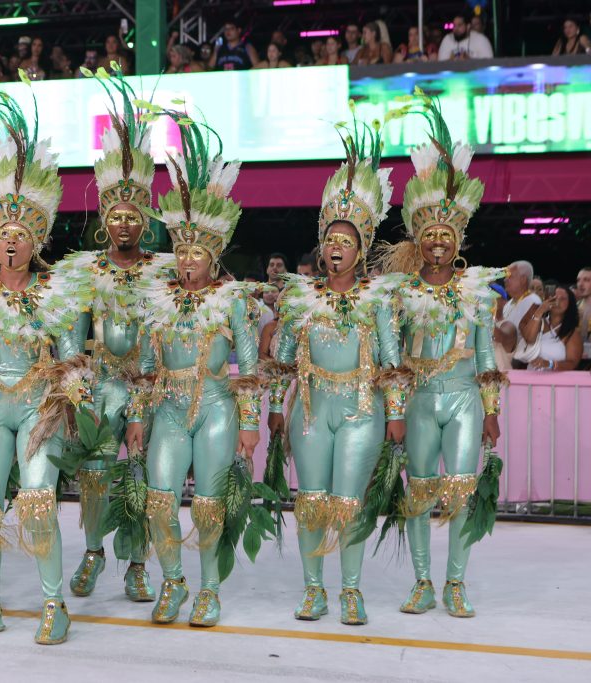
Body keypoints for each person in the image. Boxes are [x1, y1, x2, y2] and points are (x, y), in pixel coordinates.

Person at [0, 82, 93, 644]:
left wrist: (73, 406)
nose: (10, 245)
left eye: (21, 237)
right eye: (3, 235)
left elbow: (73, 359)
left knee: (35, 501)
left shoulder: (59, 293)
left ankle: (54, 604)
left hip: (38, 408)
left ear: (36, 243)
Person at [268, 110, 410, 627]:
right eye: (331, 240)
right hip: (310, 411)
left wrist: (396, 414)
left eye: (346, 242)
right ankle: (314, 590)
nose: (336, 249)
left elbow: (392, 362)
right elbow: (281, 360)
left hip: (361, 412)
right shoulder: (300, 298)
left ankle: (350, 590)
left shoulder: (378, 300)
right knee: (310, 501)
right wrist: (273, 407)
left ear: (362, 248)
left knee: (349, 502)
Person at [124, 111, 262, 628]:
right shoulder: (157, 300)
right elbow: (143, 367)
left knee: (207, 503)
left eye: (196, 254)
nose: (186, 262)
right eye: (180, 251)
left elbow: (249, 367)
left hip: (217, 409)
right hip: (167, 408)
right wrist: (136, 417)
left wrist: (250, 423)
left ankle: (209, 590)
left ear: (213, 256)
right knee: (159, 499)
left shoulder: (233, 300)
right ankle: (173, 580)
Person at [376, 90, 506, 618]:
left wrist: (492, 410)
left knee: (461, 489)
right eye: (428, 234)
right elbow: (391, 360)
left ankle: (455, 582)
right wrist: (395, 411)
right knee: (419, 490)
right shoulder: (400, 291)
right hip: (420, 399)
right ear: (417, 238)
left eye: (445, 235)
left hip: (464, 399)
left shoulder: (477, 291)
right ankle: (423, 581)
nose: (436, 243)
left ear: (457, 241)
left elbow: (486, 355)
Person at [55, 73, 173, 603]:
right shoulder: (84, 270)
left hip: (148, 386)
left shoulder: (164, 271)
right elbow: (71, 336)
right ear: (105, 220)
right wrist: (77, 389)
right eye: (116, 216)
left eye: (133, 217)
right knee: (96, 474)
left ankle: (138, 564)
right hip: (100, 385)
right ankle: (93, 551)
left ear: (145, 220)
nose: (124, 225)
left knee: (142, 474)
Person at [520, 285, 583, 371]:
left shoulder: (572, 332)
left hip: (556, 379)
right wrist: (539, 311)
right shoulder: (538, 322)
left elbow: (573, 363)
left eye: (562, 299)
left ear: (570, 304)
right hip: (531, 377)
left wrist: (550, 364)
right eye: (554, 297)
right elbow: (529, 339)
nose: (557, 301)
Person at [494, 260, 540, 366]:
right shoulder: (509, 303)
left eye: (509, 276)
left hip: (521, 363)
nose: (505, 280)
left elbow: (530, 338)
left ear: (523, 279)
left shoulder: (534, 302)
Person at [575, 267, 591, 360]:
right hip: (577, 360)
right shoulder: (574, 308)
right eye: (578, 280)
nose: (580, 284)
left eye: (586, 280)